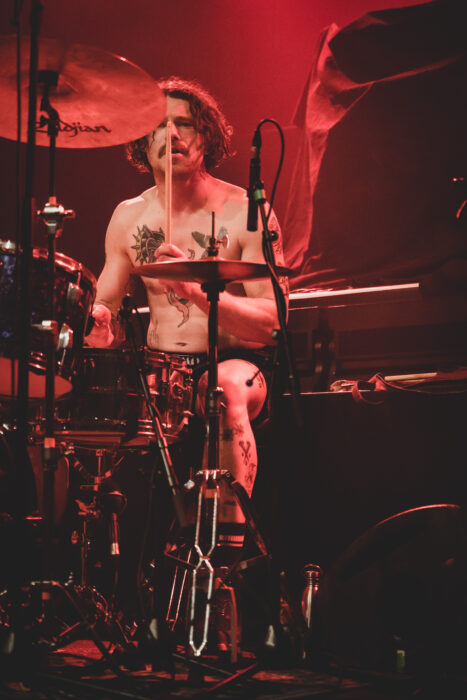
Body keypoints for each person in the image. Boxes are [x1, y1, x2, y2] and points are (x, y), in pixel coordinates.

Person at [85, 76, 288, 566]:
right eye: (158, 125)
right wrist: (100, 325)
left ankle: (224, 559)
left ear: (207, 137)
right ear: (142, 140)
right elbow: (106, 308)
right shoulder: (128, 217)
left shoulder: (247, 211)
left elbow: (273, 322)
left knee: (222, 389)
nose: (171, 134)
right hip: (159, 370)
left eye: (185, 124)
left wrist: (197, 292)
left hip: (239, 363)